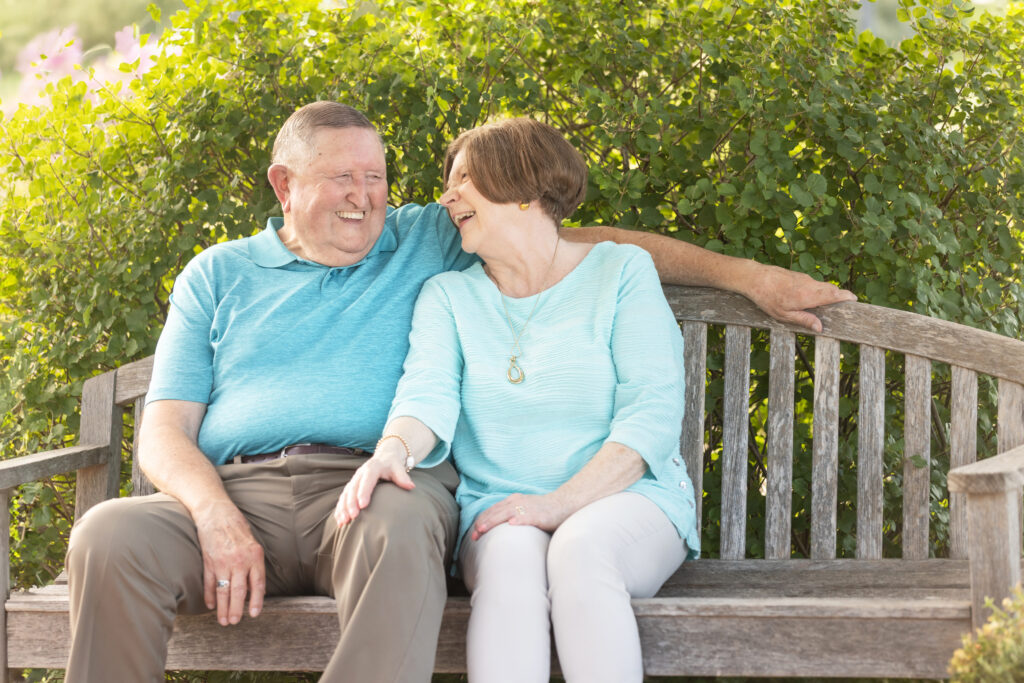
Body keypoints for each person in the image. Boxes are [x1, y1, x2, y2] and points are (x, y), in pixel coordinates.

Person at [65, 101, 854, 683]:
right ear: (284, 184)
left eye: (374, 177)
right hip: (239, 495)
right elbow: (165, 431)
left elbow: (572, 240)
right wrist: (214, 513)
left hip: (373, 488)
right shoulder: (219, 275)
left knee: (407, 521)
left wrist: (747, 277)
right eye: (342, 177)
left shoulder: (427, 236)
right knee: (107, 534)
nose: (364, 196)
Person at [334, 117, 699, 682]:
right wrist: (393, 450)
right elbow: (426, 392)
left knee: (580, 551)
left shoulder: (620, 271)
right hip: (500, 506)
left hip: (629, 498)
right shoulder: (449, 297)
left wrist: (557, 505)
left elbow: (650, 413)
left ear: (525, 190)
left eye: (464, 180)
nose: (447, 198)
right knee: (507, 567)